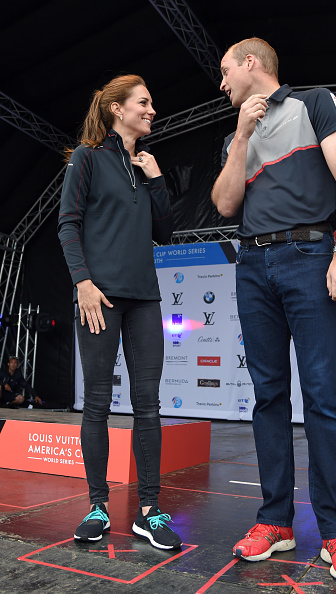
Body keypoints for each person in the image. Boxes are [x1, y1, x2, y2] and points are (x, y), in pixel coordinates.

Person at [212, 38, 336, 582]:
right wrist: (241, 136)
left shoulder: (316, 102)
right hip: (252, 266)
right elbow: (225, 204)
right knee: (268, 397)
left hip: (309, 255)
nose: (223, 81)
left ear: (251, 63)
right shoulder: (238, 131)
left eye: (226, 70)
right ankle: (275, 522)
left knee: (323, 398)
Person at [58, 74, 181, 550]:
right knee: (97, 404)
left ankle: (148, 511)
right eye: (143, 103)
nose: (152, 110)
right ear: (116, 109)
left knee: (148, 407)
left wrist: (156, 178)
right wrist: (83, 283)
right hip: (100, 299)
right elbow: (67, 225)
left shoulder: (144, 165)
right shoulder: (87, 158)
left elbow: (165, 234)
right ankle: (97, 506)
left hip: (144, 299)